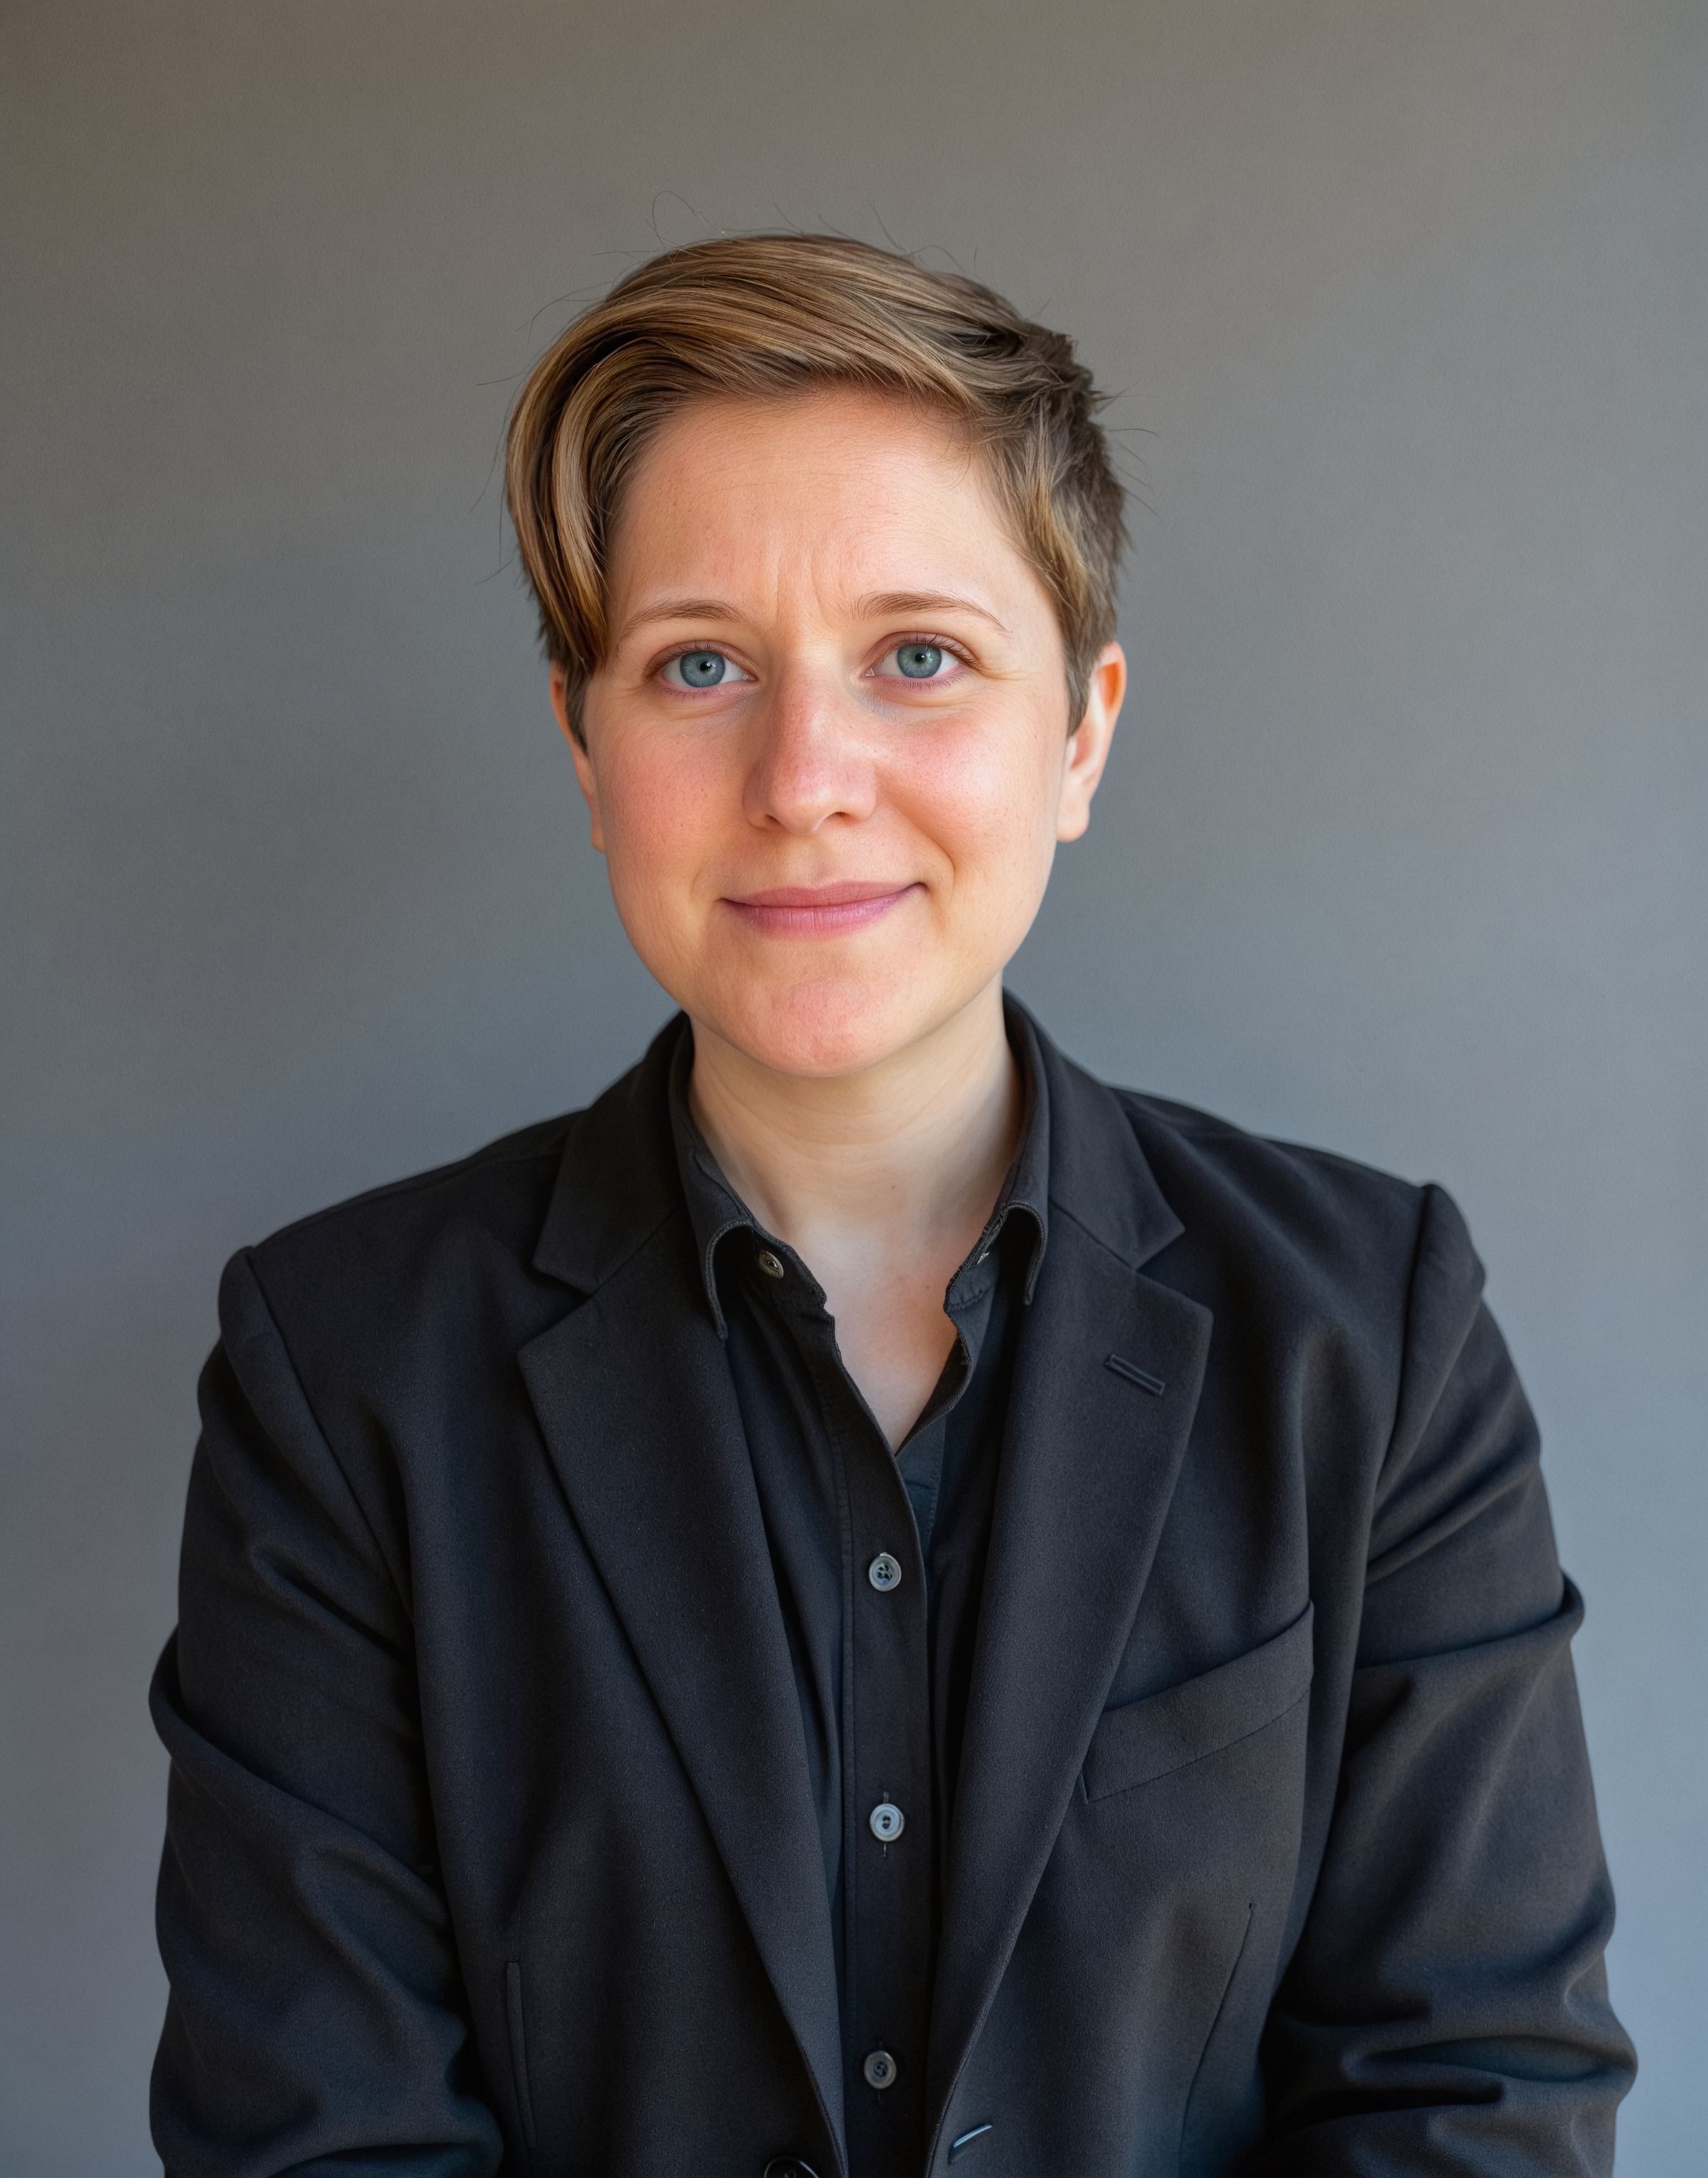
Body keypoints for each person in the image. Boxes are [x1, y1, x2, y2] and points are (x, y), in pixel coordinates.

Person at [149, 234, 1634, 2177]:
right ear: (585, 744)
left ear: (1081, 731)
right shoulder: (342, 1368)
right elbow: (317, 2146)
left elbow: (1476, 2098)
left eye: (918, 657)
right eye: (700, 665)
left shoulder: (1372, 1333)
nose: (805, 778)